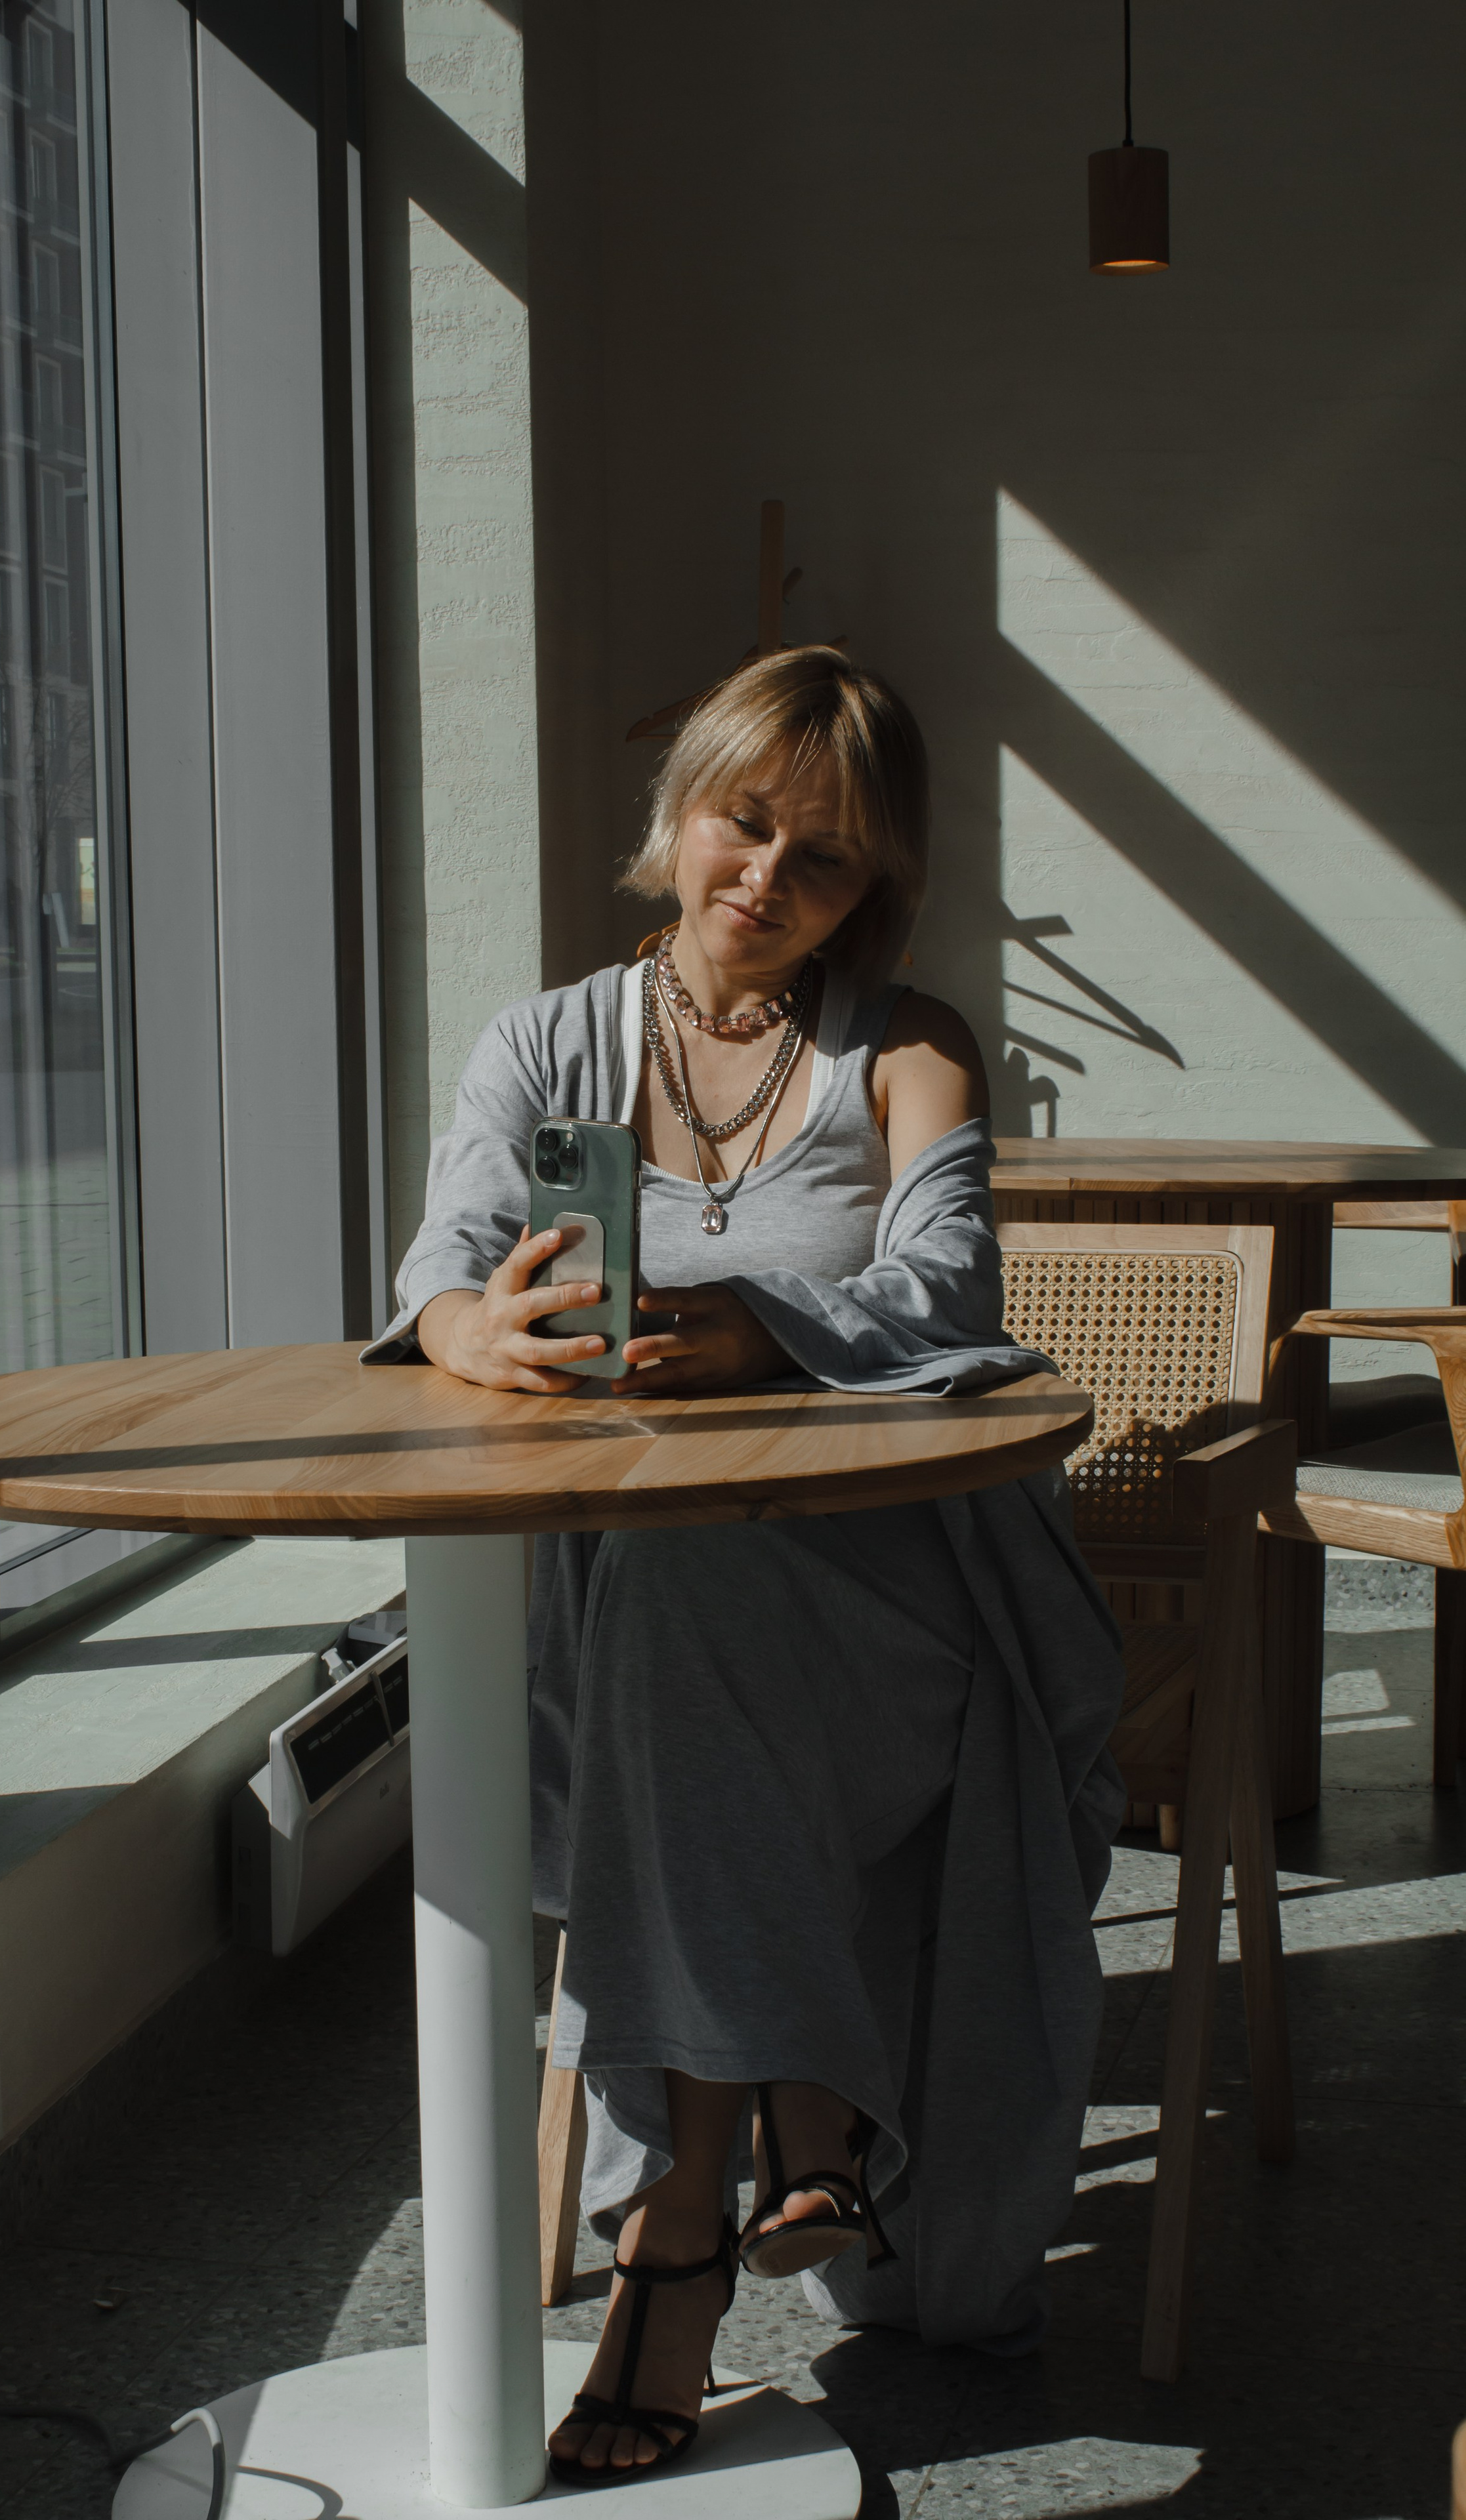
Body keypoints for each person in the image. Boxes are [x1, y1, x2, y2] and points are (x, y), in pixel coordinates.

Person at [365, 648, 1125, 2484]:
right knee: (662, 1591)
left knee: (669, 1594)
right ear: (678, 808)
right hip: (643, 1636)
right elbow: (439, 1268)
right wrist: (483, 1333)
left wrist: (762, 1330)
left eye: (831, 859)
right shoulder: (548, 1046)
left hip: (904, 1619)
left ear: (880, 892)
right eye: (746, 821)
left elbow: (949, 1294)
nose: (770, 879)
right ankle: (789, 2119)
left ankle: (673, 2245)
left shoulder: (912, 1049)